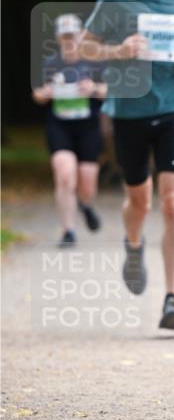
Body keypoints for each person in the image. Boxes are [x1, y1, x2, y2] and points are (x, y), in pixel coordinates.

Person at [78, 0, 174, 330]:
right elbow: (84, 45)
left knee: (171, 201)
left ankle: (172, 298)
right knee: (140, 201)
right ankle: (133, 246)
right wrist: (117, 50)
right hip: (129, 109)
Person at [32, 14, 107, 247]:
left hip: (88, 127)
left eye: (72, 36)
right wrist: (44, 93)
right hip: (60, 125)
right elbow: (37, 94)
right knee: (64, 175)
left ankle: (85, 204)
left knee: (86, 185)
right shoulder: (50, 64)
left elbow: (107, 90)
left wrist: (93, 87)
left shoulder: (93, 62)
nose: (69, 41)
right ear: (58, 38)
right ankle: (68, 231)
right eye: (64, 37)